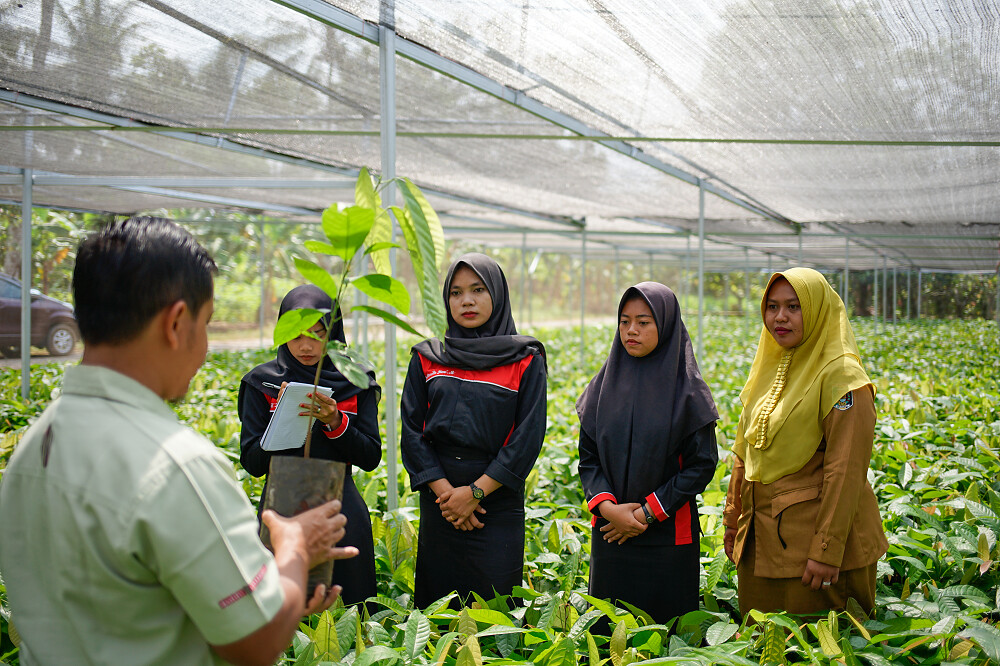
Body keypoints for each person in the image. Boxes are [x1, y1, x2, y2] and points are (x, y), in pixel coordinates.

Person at [0, 217, 355, 666]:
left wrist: (275, 595)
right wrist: (295, 551)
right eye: (206, 324)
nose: (205, 348)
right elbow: (255, 641)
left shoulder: (33, 447)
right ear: (176, 323)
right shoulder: (175, 467)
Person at [723, 267, 888, 616]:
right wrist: (733, 520)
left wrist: (826, 550)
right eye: (772, 306)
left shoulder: (843, 378)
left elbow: (845, 470)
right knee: (765, 643)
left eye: (794, 306)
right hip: (762, 542)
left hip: (816, 556)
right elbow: (745, 452)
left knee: (821, 646)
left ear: (816, 309)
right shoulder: (770, 366)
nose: (780, 317)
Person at [400, 253, 547, 608]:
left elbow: (526, 438)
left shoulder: (525, 359)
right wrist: (448, 495)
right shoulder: (427, 358)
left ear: (497, 293)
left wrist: (475, 494)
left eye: (478, 289)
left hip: (496, 502)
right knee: (438, 611)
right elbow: (411, 430)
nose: (466, 300)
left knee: (494, 612)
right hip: (441, 500)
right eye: (456, 292)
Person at [577, 282, 719, 624]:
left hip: (666, 539)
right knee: (610, 633)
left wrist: (645, 513)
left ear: (666, 325)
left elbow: (701, 465)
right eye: (624, 321)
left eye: (644, 322)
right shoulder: (602, 386)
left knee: (666, 634)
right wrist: (610, 509)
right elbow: (588, 458)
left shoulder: (688, 394)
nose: (631, 331)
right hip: (611, 534)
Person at [239, 284, 382, 606]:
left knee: (350, 614)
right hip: (281, 512)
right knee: (281, 615)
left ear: (334, 334)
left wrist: (334, 422)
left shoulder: (357, 382)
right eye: (296, 335)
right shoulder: (261, 383)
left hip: (340, 510)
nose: (306, 346)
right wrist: (285, 420)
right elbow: (252, 462)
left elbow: (371, 456)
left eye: (317, 335)